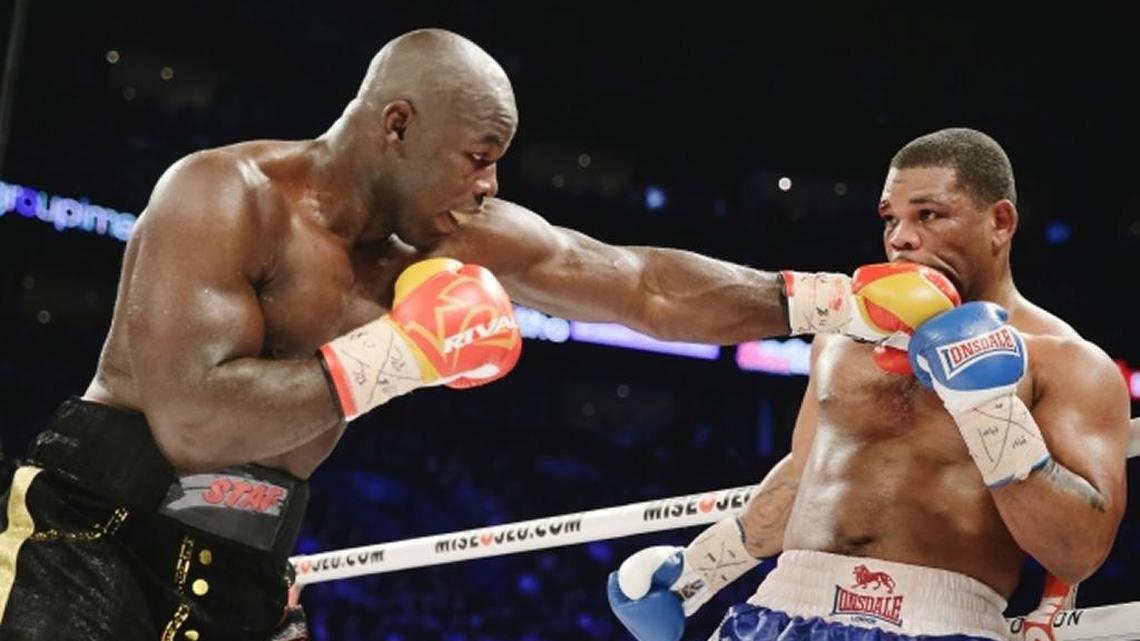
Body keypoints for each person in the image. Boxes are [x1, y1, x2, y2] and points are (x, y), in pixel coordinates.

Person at [0, 29, 956, 641]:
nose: (489, 186)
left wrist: (833, 299)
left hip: (247, 564)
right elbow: (195, 421)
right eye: (478, 158)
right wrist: (405, 353)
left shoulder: (452, 227)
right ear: (398, 126)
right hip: (96, 535)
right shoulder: (222, 196)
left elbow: (638, 285)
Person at [608, 128, 1132, 641]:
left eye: (928, 215)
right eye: (890, 218)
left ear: (1000, 222)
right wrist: (700, 569)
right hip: (783, 609)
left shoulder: (1064, 362)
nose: (900, 238)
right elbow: (805, 475)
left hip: (938, 620)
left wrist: (988, 408)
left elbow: (1078, 550)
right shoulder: (842, 334)